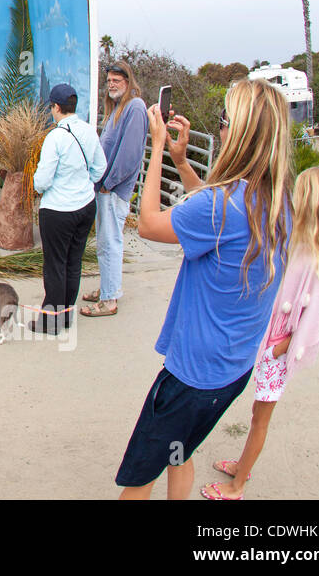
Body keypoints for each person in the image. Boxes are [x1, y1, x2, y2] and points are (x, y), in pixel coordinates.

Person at [116, 78, 293, 500]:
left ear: (244, 133)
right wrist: (182, 160)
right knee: (180, 451)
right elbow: (215, 219)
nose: (220, 130)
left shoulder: (221, 206)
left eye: (224, 121)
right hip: (231, 371)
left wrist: (156, 147)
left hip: (190, 377)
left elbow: (149, 224)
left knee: (139, 479)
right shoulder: (278, 199)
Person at [202, 165, 319, 500]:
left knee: (261, 418)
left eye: (299, 194)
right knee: (255, 413)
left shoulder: (315, 259)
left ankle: (237, 487)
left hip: (276, 349)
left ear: (308, 202)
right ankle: (242, 466)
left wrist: (278, 350)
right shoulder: (299, 242)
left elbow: (314, 320)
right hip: (267, 340)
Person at [31, 83, 106, 333]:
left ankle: (50, 322)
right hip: (85, 207)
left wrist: (39, 187)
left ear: (56, 107)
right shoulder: (89, 131)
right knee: (73, 262)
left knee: (55, 265)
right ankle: (65, 316)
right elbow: (99, 168)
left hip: (58, 211)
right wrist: (83, 184)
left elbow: (42, 181)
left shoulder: (56, 136)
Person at [82, 62, 148, 317]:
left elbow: (130, 155)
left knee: (110, 243)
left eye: (117, 80)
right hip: (105, 187)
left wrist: (108, 184)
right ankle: (108, 287)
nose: (112, 84)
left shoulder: (135, 107)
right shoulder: (118, 108)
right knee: (105, 243)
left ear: (128, 81)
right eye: (109, 80)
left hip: (113, 190)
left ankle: (109, 300)